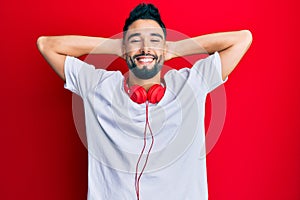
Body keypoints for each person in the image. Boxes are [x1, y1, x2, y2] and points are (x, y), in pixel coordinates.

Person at [37, 3, 252, 200]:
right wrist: (115, 47)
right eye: (136, 40)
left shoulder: (191, 85)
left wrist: (175, 49)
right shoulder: (98, 87)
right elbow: (46, 45)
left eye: (154, 40)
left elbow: (242, 39)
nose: (145, 48)